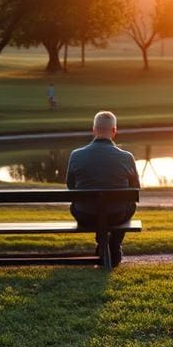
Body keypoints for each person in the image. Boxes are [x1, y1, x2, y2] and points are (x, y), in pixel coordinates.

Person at [66, 111, 140, 266]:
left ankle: (102, 243)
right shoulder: (127, 157)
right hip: (116, 214)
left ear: (94, 130)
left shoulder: (76, 155)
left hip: (85, 215)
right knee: (129, 205)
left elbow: (70, 187)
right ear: (114, 131)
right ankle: (113, 245)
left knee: (81, 205)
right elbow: (135, 190)